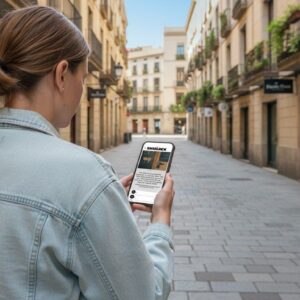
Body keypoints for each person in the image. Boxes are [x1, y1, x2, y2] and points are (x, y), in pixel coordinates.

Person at [0, 6, 175, 300]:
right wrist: (161, 221)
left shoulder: (87, 186)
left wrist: (100, 209)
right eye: (83, 77)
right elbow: (145, 294)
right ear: (62, 74)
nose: (82, 90)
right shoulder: (84, 175)